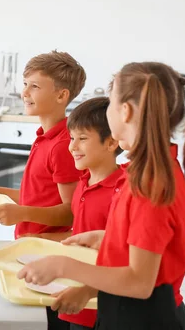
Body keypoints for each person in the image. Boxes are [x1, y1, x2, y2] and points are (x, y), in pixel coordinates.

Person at [18, 62, 185, 330]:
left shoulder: (151, 182)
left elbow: (140, 282)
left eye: (110, 102)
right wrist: (109, 240)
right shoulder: (145, 170)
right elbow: (147, 248)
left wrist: (64, 266)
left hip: (143, 319)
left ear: (126, 111)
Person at [0, 50, 86, 329]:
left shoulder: (63, 145)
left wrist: (20, 212)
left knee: (51, 320)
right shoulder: (45, 137)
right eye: (25, 84)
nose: (24, 92)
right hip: (33, 249)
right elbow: (40, 194)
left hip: (49, 253)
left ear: (62, 96)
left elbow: (70, 213)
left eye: (35, 86)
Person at [48, 97, 125, 330]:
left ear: (111, 143)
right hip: (74, 294)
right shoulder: (83, 182)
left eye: (82, 139)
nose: (72, 146)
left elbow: (121, 256)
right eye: (72, 138)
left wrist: (86, 290)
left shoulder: (123, 190)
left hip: (99, 303)